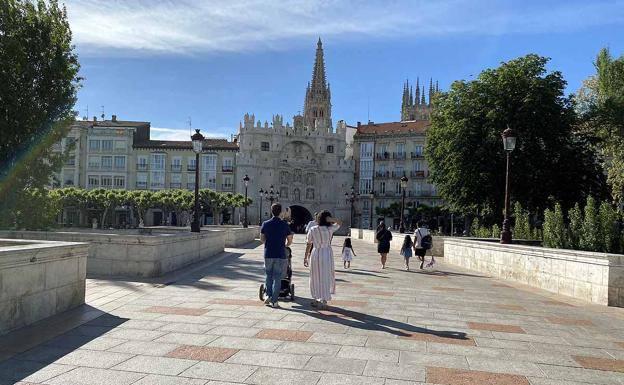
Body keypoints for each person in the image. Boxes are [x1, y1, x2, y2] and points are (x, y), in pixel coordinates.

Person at [304, 210, 342, 309]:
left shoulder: (312, 229)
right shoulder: (330, 229)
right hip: (327, 253)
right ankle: (324, 300)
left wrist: (306, 256)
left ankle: (317, 298)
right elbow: (340, 222)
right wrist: (331, 219)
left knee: (315, 276)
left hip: (316, 253)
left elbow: (309, 243)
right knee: (325, 275)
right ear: (327, 219)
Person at [260, 203, 293, 308]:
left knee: (268, 275)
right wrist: (285, 245)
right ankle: (274, 301)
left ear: (271, 211)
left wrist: (269, 243)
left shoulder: (265, 223)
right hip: (280, 253)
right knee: (278, 277)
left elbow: (262, 239)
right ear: (281, 212)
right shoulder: (284, 225)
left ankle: (268, 295)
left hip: (268, 253)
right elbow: (289, 240)